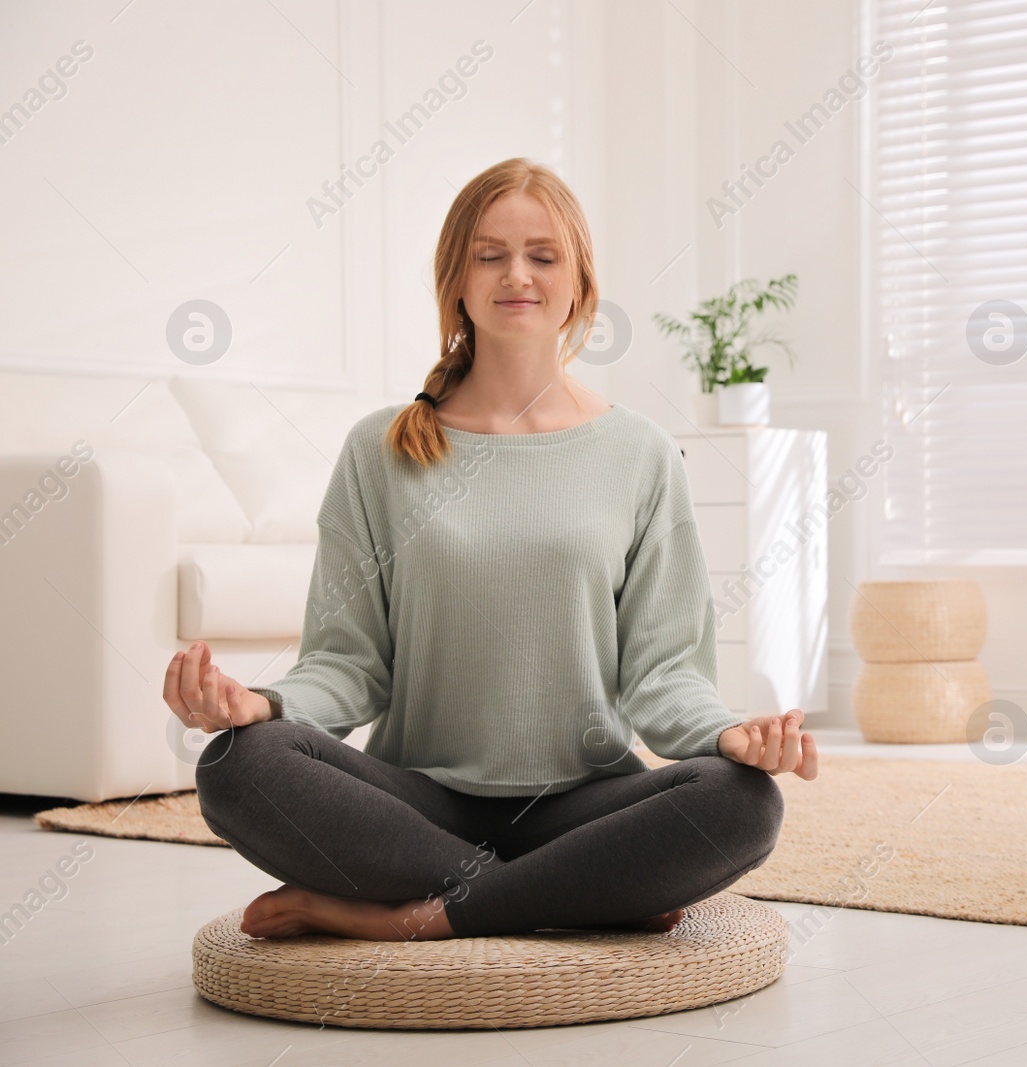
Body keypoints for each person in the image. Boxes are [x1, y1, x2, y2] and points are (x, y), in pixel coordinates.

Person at [162, 158, 817, 942]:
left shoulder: (640, 452)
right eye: (490, 254)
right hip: (416, 801)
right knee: (239, 764)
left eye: (543, 255)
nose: (518, 274)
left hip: (583, 803)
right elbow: (349, 663)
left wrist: (727, 735)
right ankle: (575, 894)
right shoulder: (379, 450)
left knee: (741, 802)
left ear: (579, 282)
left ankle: (415, 916)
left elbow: (665, 673)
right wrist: (260, 705)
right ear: (458, 281)